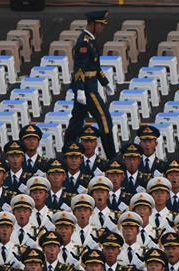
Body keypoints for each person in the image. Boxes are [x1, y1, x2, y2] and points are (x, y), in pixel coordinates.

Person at [64, 10, 117, 160]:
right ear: (93, 24)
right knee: (105, 119)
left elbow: (95, 66)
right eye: (100, 25)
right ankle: (112, 157)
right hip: (88, 90)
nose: (102, 28)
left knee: (76, 122)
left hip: (91, 85)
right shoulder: (84, 42)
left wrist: (105, 82)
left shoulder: (91, 40)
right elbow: (79, 68)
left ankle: (67, 150)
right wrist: (80, 90)